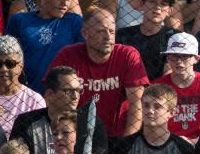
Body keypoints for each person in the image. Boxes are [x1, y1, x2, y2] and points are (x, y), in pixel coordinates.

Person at [49, 8, 150, 137]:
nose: (108, 37)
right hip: (76, 135)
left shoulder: (127, 55)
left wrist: (128, 142)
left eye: (112, 31)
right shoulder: (68, 56)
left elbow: (136, 103)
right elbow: (52, 97)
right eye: (101, 31)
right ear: (85, 33)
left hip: (117, 137)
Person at [110, 83, 196, 154]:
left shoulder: (184, 149)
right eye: (145, 105)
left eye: (157, 106)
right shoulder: (124, 146)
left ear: (171, 112)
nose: (150, 111)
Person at [4, 0, 83, 93]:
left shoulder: (74, 22)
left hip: (63, 94)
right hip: (26, 93)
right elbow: (6, 58)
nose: (65, 2)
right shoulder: (20, 20)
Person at [153, 32, 200, 143]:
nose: (179, 61)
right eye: (174, 57)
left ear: (196, 59)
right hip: (165, 142)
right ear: (167, 59)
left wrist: (198, 141)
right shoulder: (157, 87)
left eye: (185, 57)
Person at [114, 0, 178, 79]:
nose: (157, 7)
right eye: (152, 1)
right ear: (142, 4)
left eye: (163, 4)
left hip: (162, 91)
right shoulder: (123, 35)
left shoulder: (175, 37)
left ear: (170, 11)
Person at [0, 36, 45, 136]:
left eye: (10, 64)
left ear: (21, 66)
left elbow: (39, 137)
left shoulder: (34, 100)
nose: (3, 69)